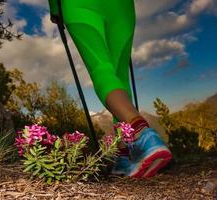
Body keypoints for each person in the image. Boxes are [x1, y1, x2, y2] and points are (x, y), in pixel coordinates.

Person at [47, 0, 172, 178]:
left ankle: (143, 134)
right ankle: (124, 157)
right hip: (122, 7)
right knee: (120, 78)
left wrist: (54, 9)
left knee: (102, 70)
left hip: (78, 5)